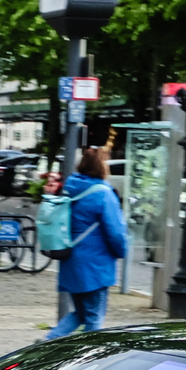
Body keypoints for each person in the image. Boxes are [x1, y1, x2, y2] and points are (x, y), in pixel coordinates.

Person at [44, 145, 128, 340]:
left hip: (71, 260)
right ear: (102, 167)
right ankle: (90, 358)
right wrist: (121, 251)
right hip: (95, 265)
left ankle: (47, 340)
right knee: (94, 318)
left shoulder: (70, 188)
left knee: (80, 313)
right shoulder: (103, 194)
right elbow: (115, 232)